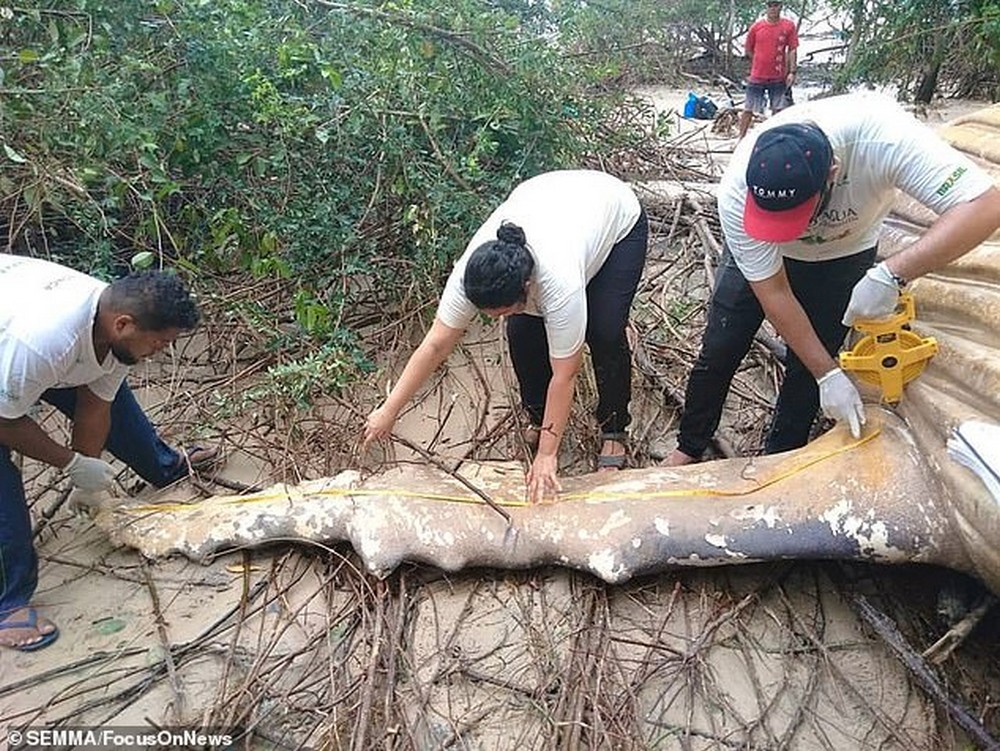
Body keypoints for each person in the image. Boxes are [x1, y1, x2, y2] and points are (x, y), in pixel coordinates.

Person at [666, 93, 1000, 467]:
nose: (788, 230)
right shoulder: (737, 189)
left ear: (833, 173)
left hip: (844, 253)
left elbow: (985, 206)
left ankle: (782, 457)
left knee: (810, 363)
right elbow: (773, 291)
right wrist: (828, 374)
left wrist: (893, 274)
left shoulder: (884, 140)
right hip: (765, 263)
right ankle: (689, 446)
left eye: (796, 215)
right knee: (721, 346)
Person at [363, 170, 648, 503]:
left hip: (616, 221)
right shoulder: (474, 272)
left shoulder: (559, 283)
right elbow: (436, 344)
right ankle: (540, 417)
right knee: (521, 334)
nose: (491, 319)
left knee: (605, 330)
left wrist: (547, 455)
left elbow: (565, 374)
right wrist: (389, 410)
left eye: (500, 310)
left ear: (527, 287)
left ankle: (614, 428)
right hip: (554, 200)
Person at [0, 255, 218, 650]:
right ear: (124, 326)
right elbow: (5, 422)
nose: (161, 350)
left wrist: (89, 474)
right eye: (161, 342)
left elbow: (96, 405)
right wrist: (71, 463)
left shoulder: (115, 329)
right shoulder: (45, 341)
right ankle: (7, 605)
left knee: (116, 404)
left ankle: (164, 466)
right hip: (14, 352)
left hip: (19, 344)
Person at [738, 0, 799, 140]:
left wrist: (792, 71)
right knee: (748, 109)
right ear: (766, 7)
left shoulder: (788, 26)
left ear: (781, 6)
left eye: (775, 5)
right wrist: (760, 61)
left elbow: (792, 50)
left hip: (778, 76)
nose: (772, 8)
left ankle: (776, 138)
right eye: (769, 5)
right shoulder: (756, 27)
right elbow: (748, 49)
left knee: (778, 109)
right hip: (757, 76)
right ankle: (741, 138)